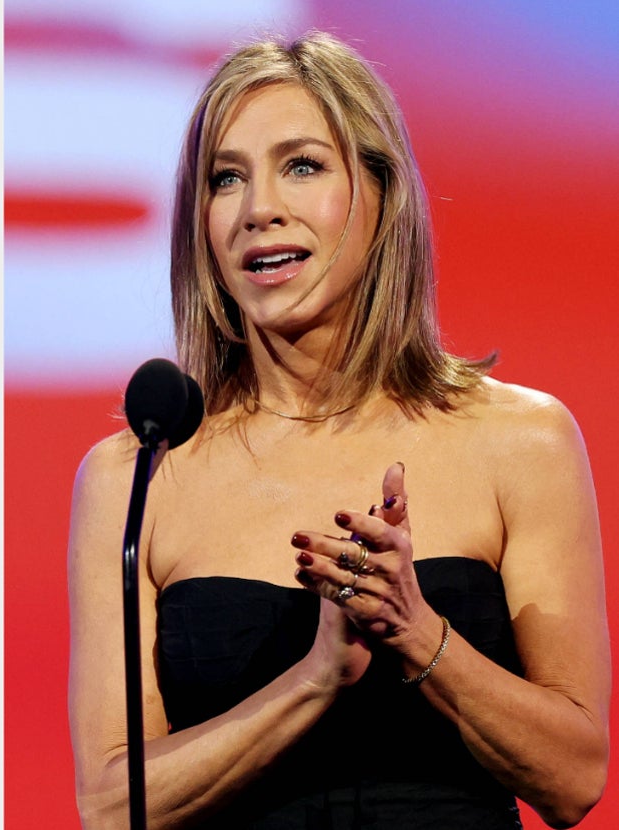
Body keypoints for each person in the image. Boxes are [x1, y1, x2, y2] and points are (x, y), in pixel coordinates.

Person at [68, 31, 607, 829]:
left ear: (382, 195)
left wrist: (417, 632)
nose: (259, 210)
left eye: (303, 165)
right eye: (226, 179)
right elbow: (113, 809)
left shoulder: (521, 441)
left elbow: (574, 778)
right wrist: (315, 678)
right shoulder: (137, 472)